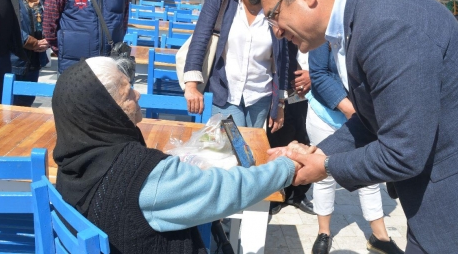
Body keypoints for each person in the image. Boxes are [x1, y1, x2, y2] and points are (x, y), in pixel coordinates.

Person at [250, 0, 458, 254]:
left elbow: (403, 151)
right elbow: (373, 118)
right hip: (441, 175)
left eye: (274, 15)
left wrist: (325, 166)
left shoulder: (387, 25)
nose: (276, 31)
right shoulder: (360, 14)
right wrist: (317, 151)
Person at [52, 56, 298, 254]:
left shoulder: (72, 161)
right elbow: (226, 190)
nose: (138, 96)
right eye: (128, 93)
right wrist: (286, 167)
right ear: (105, 111)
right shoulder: (141, 176)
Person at [306, 0, 401, 254]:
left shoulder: (374, 27)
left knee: (369, 176)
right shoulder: (325, 24)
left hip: (364, 119)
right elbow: (319, 73)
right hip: (328, 114)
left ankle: (379, 235)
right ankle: (324, 232)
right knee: (323, 174)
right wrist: (350, 109)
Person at [184, 0, 288, 132]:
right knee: (230, 152)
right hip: (224, 94)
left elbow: (283, 58)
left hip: (261, 97)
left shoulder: (277, 8)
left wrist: (280, 102)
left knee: (251, 155)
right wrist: (191, 86)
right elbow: (199, 42)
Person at [0, 0, 50, 106]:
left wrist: (49, 38)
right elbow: (1, 23)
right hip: (11, 61)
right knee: (7, 109)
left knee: (26, 108)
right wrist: (29, 42)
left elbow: (50, 16)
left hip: (34, 61)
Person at [267, 43, 315, 216]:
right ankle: (276, 193)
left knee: (304, 140)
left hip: (314, 90)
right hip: (285, 87)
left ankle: (298, 194)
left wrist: (313, 75)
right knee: (279, 138)